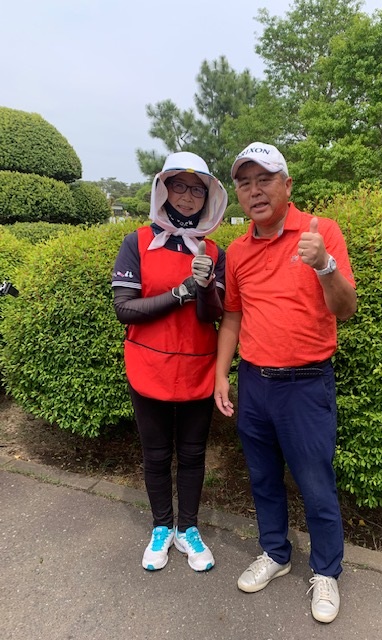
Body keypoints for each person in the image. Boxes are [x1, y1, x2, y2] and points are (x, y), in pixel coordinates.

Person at [214, 142, 356, 623]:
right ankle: (276, 553)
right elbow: (233, 316)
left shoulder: (321, 232)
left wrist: (324, 265)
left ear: (287, 185)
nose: (254, 191)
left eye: (265, 179)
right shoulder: (237, 251)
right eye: (245, 183)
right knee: (263, 478)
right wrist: (221, 375)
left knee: (316, 483)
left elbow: (346, 309)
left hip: (306, 384)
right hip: (254, 382)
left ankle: (326, 571)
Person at [112, 151, 228, 573]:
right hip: (149, 367)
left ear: (208, 198)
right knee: (157, 453)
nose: (187, 196)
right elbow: (125, 309)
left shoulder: (213, 251)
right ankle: (161, 526)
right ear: (163, 189)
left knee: (193, 453)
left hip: (198, 366)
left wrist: (205, 286)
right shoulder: (137, 242)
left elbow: (212, 315)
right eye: (179, 186)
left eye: (197, 189)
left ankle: (188, 529)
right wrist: (180, 292)